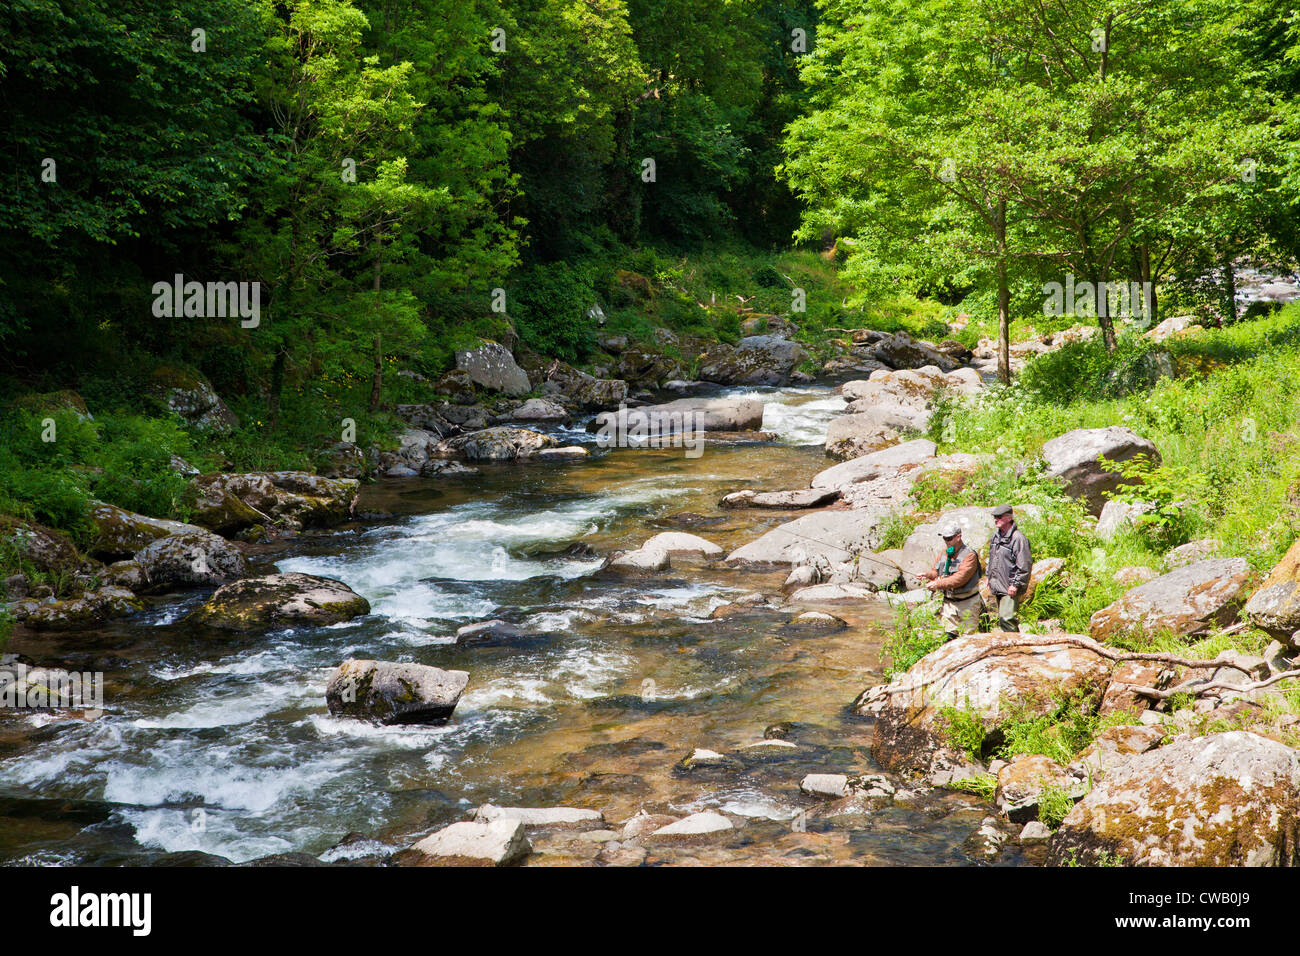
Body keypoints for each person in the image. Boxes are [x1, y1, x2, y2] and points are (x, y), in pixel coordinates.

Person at [920, 523, 983, 639]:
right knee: (948, 637)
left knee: (967, 638)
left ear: (958, 537)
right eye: (944, 538)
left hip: (967, 603)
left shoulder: (969, 555)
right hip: (949, 604)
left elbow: (960, 578)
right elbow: (936, 572)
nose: (946, 541)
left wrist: (937, 584)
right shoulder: (943, 553)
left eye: (949, 538)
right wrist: (927, 575)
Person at [987, 504, 1032, 632]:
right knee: (1002, 619)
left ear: (1008, 518)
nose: (996, 519)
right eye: (995, 517)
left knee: (1007, 619)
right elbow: (992, 558)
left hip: (1010, 587)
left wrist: (1015, 584)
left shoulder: (1018, 538)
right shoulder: (995, 536)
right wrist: (988, 576)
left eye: (999, 517)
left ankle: (1016, 649)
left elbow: (1024, 564)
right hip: (998, 584)